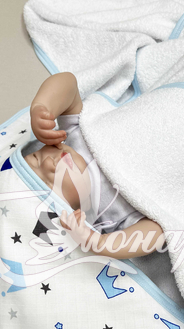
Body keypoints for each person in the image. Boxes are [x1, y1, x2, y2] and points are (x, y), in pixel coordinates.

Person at [24, 72, 165, 259]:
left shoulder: (73, 135)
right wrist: (99, 243)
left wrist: (42, 107)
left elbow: (68, 83)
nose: (49, 162)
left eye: (36, 157)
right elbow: (156, 230)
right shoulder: (104, 215)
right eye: (48, 183)